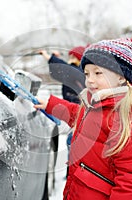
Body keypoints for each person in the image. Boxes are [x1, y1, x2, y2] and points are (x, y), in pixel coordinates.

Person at [34, 38, 132, 199]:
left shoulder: (129, 120)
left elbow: (130, 184)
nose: (90, 80)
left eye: (98, 73)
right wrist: (51, 104)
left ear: (121, 77)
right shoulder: (95, 103)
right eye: (86, 74)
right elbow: (76, 114)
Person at [39, 46, 86, 177]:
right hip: (76, 109)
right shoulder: (77, 72)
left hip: (79, 111)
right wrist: (56, 59)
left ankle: (73, 173)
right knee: (72, 141)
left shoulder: (78, 72)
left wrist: (48, 56)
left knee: (72, 141)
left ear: (78, 59)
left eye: (72, 56)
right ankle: (72, 172)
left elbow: (64, 69)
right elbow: (62, 71)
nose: (70, 58)